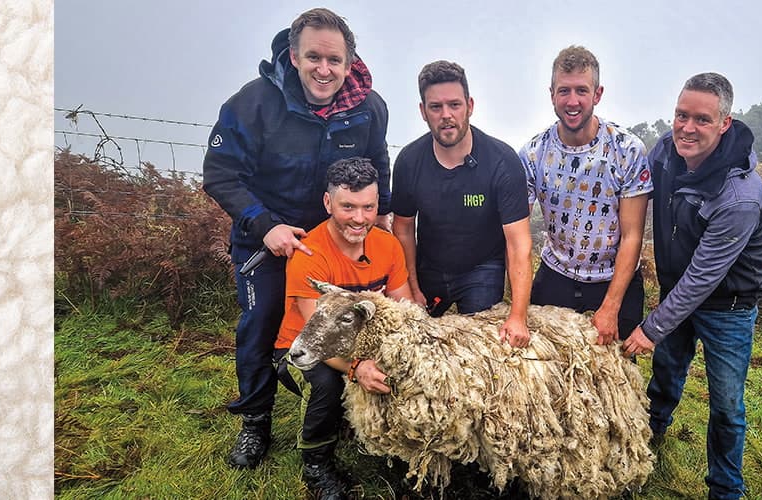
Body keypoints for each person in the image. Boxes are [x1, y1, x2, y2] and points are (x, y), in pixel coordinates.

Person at [201, 8, 391, 470]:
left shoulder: (369, 108)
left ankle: (344, 408)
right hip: (266, 234)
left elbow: (378, 166)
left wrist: (378, 219)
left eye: (334, 60)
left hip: (333, 241)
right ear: (293, 55)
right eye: (313, 58)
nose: (323, 70)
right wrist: (267, 226)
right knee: (262, 322)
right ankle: (255, 422)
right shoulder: (253, 102)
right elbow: (219, 173)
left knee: (349, 322)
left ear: (350, 62)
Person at [621, 73, 762, 499]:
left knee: (726, 404)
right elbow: (630, 190)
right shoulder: (665, 152)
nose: (686, 127)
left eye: (701, 120)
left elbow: (705, 276)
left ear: (724, 123)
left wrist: (651, 329)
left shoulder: (739, 193)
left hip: (729, 306)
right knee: (666, 375)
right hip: (675, 290)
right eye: (680, 115)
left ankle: (725, 489)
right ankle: (647, 441)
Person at [279, 157, 414, 499]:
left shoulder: (388, 245)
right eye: (348, 207)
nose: (359, 218)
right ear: (328, 203)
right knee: (326, 383)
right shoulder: (310, 254)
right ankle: (316, 461)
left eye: (368, 207)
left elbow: (404, 308)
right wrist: (356, 368)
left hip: (362, 343)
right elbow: (319, 338)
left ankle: (394, 447)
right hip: (304, 346)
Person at [391, 60, 533, 348]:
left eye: (454, 105)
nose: (446, 115)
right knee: (415, 344)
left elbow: (519, 244)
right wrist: (412, 289)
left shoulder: (502, 161)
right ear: (423, 111)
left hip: (481, 268)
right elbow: (403, 229)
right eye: (436, 107)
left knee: (481, 349)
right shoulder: (408, 161)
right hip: (429, 266)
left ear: (469, 105)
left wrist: (518, 316)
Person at [517, 45, 651, 346]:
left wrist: (611, 307)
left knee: (613, 377)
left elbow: (632, 236)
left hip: (613, 279)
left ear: (597, 94)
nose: (573, 101)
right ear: (552, 94)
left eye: (582, 90)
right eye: (564, 91)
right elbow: (519, 235)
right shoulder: (533, 154)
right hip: (557, 275)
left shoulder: (627, 150)